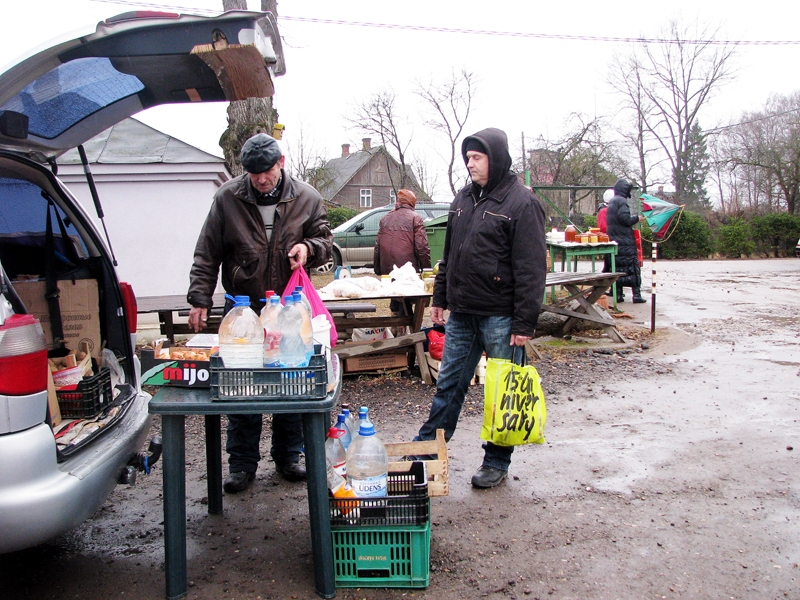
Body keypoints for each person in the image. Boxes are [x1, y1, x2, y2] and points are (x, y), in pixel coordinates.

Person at [186, 132, 333, 493]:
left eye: (266, 171)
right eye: (253, 174)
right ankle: (241, 464)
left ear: (281, 163)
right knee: (241, 386)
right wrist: (199, 298)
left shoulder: (307, 197)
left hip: (289, 306)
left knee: (291, 382)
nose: (261, 179)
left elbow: (327, 243)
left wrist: (308, 247)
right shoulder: (227, 198)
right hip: (242, 308)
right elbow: (207, 251)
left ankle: (288, 456)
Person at [414, 127, 547, 489]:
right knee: (449, 385)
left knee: (504, 392)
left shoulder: (522, 203)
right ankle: (427, 450)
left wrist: (525, 321)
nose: (470, 164)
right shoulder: (463, 198)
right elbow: (450, 255)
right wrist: (440, 297)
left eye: (477, 158)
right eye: (468, 158)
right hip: (463, 314)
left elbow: (532, 268)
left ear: (496, 158)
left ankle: (497, 461)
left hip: (502, 317)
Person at [373, 188, 431, 319]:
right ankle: (405, 329)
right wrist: (426, 268)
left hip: (388, 267)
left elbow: (378, 246)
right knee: (407, 299)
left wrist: (378, 268)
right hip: (407, 269)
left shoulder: (385, 218)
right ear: (412, 203)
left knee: (396, 298)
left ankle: (397, 324)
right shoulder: (415, 218)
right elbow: (422, 247)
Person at [606, 178, 646, 303]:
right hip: (626, 241)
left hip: (615, 239)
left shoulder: (612, 202)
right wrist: (637, 219)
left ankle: (618, 295)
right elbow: (625, 218)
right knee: (632, 267)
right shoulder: (622, 201)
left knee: (618, 267)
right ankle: (637, 295)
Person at [598, 188, 613, 275]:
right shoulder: (604, 211)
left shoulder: (603, 210)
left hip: (609, 237)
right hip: (608, 238)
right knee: (609, 260)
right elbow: (603, 227)